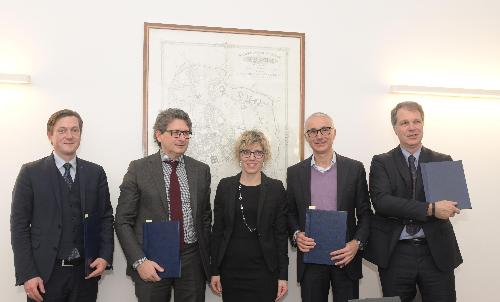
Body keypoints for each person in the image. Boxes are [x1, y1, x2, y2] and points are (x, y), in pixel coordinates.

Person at [10, 109, 114, 302]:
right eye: (62, 130)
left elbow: (106, 217)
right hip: (44, 275)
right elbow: (19, 227)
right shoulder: (30, 173)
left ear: (80, 135)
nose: (69, 135)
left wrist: (105, 256)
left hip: (85, 273)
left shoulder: (96, 172)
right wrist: (28, 273)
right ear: (50, 135)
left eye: (75, 130)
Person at [364, 101, 462, 302]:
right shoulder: (381, 162)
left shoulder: (442, 161)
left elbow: (450, 205)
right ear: (395, 129)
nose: (412, 128)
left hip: (435, 252)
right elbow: (382, 202)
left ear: (423, 124)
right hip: (395, 253)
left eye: (416, 121)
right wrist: (431, 208)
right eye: (405, 123)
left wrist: (446, 207)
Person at [115, 108, 211, 302]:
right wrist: (139, 261)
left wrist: (205, 258)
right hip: (152, 259)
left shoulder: (201, 170)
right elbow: (122, 221)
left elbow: (205, 217)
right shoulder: (138, 169)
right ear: (159, 135)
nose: (182, 138)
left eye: (186, 133)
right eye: (176, 133)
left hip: (191, 259)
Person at [287, 112, 372, 302]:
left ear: (334, 133)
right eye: (313, 131)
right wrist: (296, 234)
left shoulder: (354, 169)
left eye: (325, 130)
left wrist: (356, 244)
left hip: (346, 257)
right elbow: (290, 212)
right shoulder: (295, 173)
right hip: (311, 259)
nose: (319, 136)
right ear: (307, 137)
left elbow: (366, 214)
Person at [210, 130, 288, 302]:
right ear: (239, 155)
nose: (251, 157)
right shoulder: (225, 186)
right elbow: (218, 232)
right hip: (231, 271)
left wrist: (283, 275)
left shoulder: (276, 188)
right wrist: (214, 270)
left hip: (265, 272)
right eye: (246, 152)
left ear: (264, 156)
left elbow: (281, 236)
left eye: (258, 152)